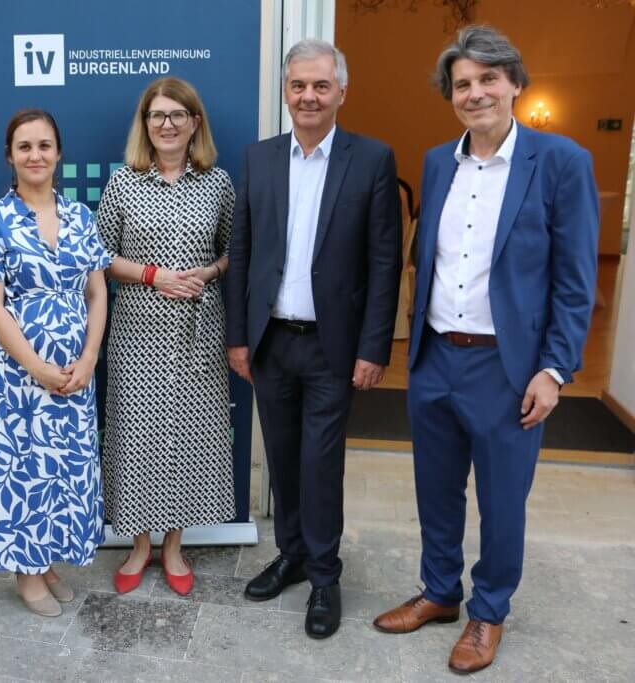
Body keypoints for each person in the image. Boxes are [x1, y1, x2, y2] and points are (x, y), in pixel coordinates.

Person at [372, 26, 599, 674]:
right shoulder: (440, 161)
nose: (474, 93)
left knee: (502, 501)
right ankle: (441, 592)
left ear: (515, 84)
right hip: (436, 356)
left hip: (508, 368)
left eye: (487, 79)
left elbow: (575, 279)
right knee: (435, 490)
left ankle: (488, 610)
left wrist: (554, 369)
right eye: (462, 84)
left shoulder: (560, 162)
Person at [226, 39, 401, 639]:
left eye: (320, 86)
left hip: (334, 346)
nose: (308, 96)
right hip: (271, 342)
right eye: (298, 85)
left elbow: (385, 262)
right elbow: (243, 254)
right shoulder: (259, 158)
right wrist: (239, 338)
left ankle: (325, 575)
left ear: (341, 93)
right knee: (282, 456)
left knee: (321, 463)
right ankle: (292, 554)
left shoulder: (372, 160)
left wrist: (374, 347)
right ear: (286, 91)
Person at [96, 76, 235, 597]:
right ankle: (138, 545)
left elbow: (232, 251)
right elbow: (101, 259)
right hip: (137, 332)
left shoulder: (217, 183)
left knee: (187, 437)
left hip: (198, 334)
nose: (168, 124)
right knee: (137, 437)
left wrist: (209, 274)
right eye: (157, 115)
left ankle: (173, 545)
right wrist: (153, 275)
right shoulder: (123, 184)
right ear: (145, 125)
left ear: (195, 123)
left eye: (178, 115)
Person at [0, 109, 110, 617]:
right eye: (25, 146)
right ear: (9, 156)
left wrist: (90, 356)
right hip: (20, 374)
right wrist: (35, 366)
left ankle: (48, 561)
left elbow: (97, 293)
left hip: (76, 371)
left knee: (65, 471)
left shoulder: (80, 216)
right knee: (26, 470)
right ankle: (25, 574)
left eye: (45, 145)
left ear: (58, 154)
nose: (36, 155)